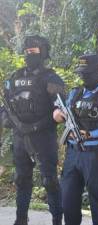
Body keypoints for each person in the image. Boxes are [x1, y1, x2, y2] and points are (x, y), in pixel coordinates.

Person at [53, 53, 98, 225]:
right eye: (81, 73)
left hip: (96, 155)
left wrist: (91, 134)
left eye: (87, 73)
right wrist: (58, 115)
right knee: (68, 202)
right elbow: (58, 112)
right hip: (72, 153)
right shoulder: (75, 93)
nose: (83, 77)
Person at [2, 35, 64, 225]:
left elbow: (60, 108)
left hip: (43, 137)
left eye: (34, 51)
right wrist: (7, 119)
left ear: (43, 53)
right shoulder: (15, 77)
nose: (30, 54)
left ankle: (56, 220)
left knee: (50, 181)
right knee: (21, 180)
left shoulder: (51, 78)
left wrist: (55, 116)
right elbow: (5, 106)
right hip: (20, 137)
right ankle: (21, 219)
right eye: (27, 51)